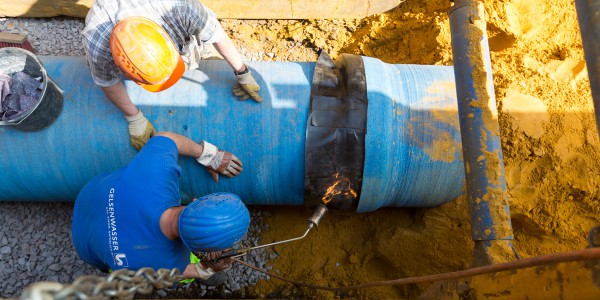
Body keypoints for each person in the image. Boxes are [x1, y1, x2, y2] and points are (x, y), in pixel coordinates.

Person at [82, 0, 263, 150]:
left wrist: (242, 71)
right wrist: (134, 117)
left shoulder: (180, 8)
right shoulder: (97, 42)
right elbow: (107, 81)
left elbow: (216, 34)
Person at [71, 131, 250, 280]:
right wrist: (205, 269)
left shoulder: (158, 175)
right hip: (85, 248)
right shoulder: (164, 262)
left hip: (89, 194)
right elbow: (174, 275)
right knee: (189, 280)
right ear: (198, 249)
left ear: (196, 201)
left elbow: (166, 138)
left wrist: (210, 155)